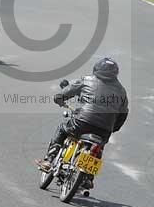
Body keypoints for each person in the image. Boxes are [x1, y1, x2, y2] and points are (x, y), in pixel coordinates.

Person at [35, 57, 129, 187]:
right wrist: (114, 128)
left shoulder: (87, 80)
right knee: (98, 147)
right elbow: (123, 114)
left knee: (62, 129)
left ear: (96, 69)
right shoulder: (122, 91)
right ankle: (89, 178)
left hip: (82, 121)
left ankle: (49, 160)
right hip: (105, 129)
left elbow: (66, 92)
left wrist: (59, 98)